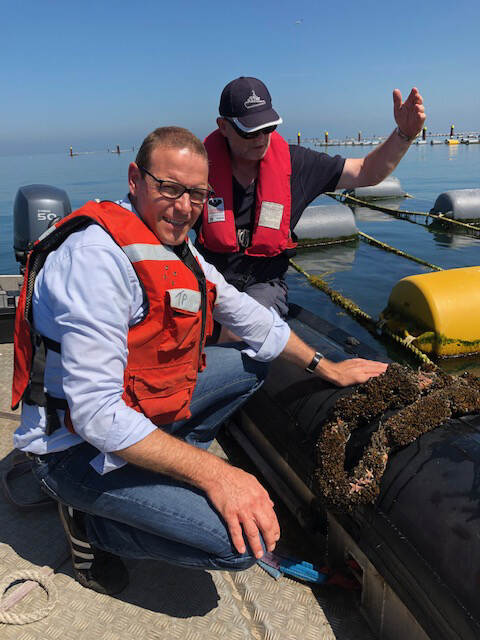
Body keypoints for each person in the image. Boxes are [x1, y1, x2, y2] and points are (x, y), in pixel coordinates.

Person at [12, 126, 387, 595]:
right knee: (239, 546)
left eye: (197, 194)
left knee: (255, 362)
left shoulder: (173, 242)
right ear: (135, 179)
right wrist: (216, 473)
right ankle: (92, 528)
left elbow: (243, 312)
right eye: (168, 187)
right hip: (73, 451)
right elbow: (96, 417)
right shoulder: (95, 261)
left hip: (134, 407)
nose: (184, 206)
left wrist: (324, 366)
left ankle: (159, 467)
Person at [196, 76, 426, 329]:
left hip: (263, 287)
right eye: (249, 130)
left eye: (268, 127)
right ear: (223, 127)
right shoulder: (195, 169)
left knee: (250, 324)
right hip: (209, 283)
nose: (260, 138)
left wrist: (404, 135)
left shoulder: (298, 164)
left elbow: (365, 172)